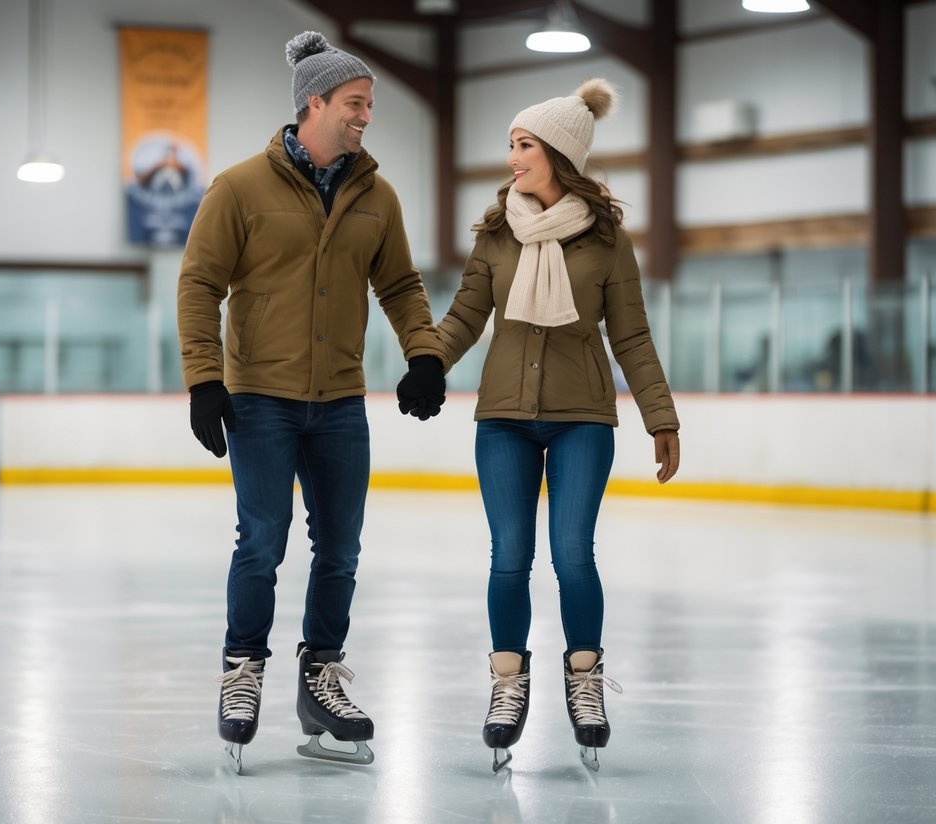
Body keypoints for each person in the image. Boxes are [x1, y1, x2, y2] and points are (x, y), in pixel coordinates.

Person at [177, 30, 446, 773]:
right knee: (261, 543)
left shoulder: (375, 194)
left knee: (341, 550)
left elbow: (399, 285)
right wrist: (204, 377)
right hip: (259, 398)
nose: (365, 117)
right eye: (356, 104)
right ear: (314, 103)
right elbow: (199, 283)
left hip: (338, 403)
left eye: (369, 106)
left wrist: (423, 352)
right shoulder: (238, 189)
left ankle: (320, 678)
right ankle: (242, 672)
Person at [399, 78, 680, 773]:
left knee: (573, 553)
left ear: (557, 152)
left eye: (523, 145)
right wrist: (427, 361)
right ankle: (506, 684)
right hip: (501, 421)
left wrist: (659, 417)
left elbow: (633, 338)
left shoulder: (607, 241)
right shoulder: (498, 232)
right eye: (510, 145)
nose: (511, 159)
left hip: (583, 417)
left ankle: (583, 681)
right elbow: (466, 314)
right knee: (509, 555)